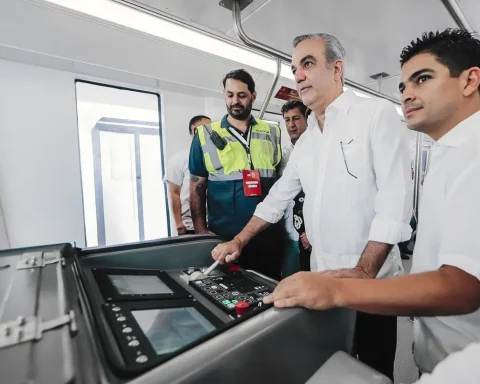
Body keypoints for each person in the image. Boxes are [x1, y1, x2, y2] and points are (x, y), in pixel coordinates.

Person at [264, 29, 480, 376]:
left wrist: (344, 286)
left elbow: (464, 286)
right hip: (434, 348)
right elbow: (279, 196)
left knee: (374, 364)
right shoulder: (447, 155)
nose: (408, 94)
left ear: (470, 80)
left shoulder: (472, 154)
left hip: (462, 361)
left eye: (422, 79)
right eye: (403, 86)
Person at [212, 34, 412, 379]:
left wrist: (364, 272)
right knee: (334, 369)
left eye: (307, 64)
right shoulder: (307, 141)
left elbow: (395, 201)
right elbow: (277, 199)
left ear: (337, 69)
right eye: (294, 68)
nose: (298, 75)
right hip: (325, 284)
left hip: (373, 284)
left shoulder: (375, 115)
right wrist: (239, 241)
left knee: (373, 373)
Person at [189, 69, 284, 280]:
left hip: (267, 233)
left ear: (253, 96)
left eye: (241, 95)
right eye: (230, 95)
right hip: (225, 236)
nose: (235, 101)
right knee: (231, 292)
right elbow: (197, 185)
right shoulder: (205, 135)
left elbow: (279, 180)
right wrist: (199, 229)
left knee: (268, 290)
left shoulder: (272, 132)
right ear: (224, 95)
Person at [165, 115, 211, 235]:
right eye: (206, 128)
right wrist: (179, 225)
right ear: (194, 129)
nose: (210, 132)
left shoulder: (215, 159)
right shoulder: (178, 159)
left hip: (214, 224)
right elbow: (174, 193)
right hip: (190, 226)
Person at [280, 99, 311, 274]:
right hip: (289, 233)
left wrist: (312, 231)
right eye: (287, 120)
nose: (291, 125)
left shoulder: (321, 152)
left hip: (312, 235)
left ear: (307, 118)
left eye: (296, 118)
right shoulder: (282, 157)